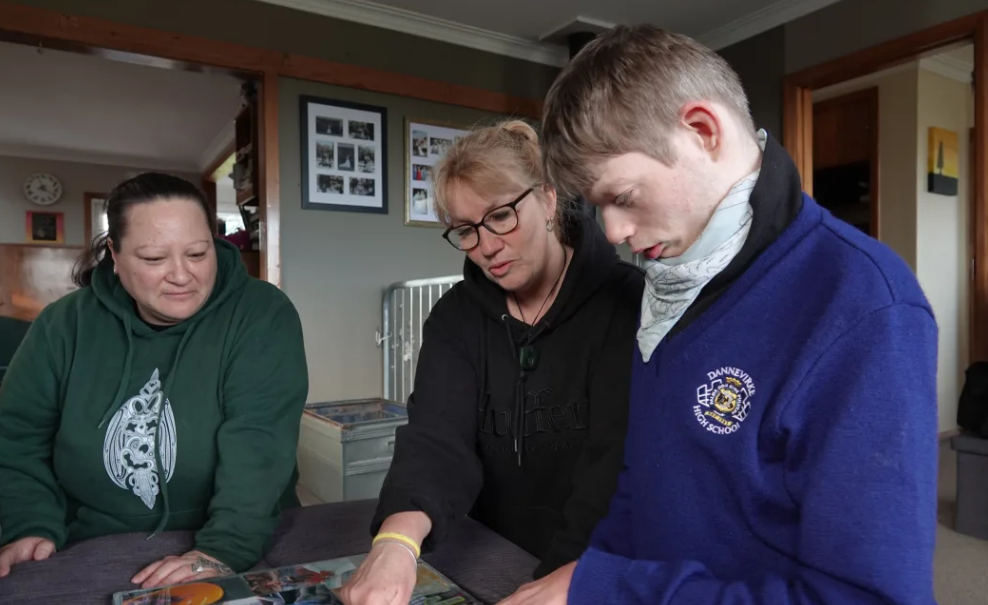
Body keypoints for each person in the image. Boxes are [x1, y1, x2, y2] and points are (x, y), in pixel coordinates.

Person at [499, 25, 939, 605]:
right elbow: (643, 488)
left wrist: (610, 590)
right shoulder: (672, 282)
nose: (615, 233)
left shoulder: (864, 307)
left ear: (703, 131)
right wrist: (586, 577)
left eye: (624, 197)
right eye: (599, 207)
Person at [339, 120, 644, 605]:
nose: (485, 246)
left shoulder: (626, 304)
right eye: (465, 230)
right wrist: (395, 544)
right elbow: (436, 441)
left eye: (501, 216)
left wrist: (561, 581)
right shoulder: (455, 317)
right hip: (485, 550)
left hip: (592, 562)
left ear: (547, 199)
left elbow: (611, 471)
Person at [0, 173, 309, 588]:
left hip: (234, 535)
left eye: (198, 254)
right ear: (114, 252)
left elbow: (259, 441)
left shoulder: (261, 313)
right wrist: (29, 522)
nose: (182, 276)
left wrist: (223, 549)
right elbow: (17, 436)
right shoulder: (64, 324)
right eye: (153, 259)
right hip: (90, 535)